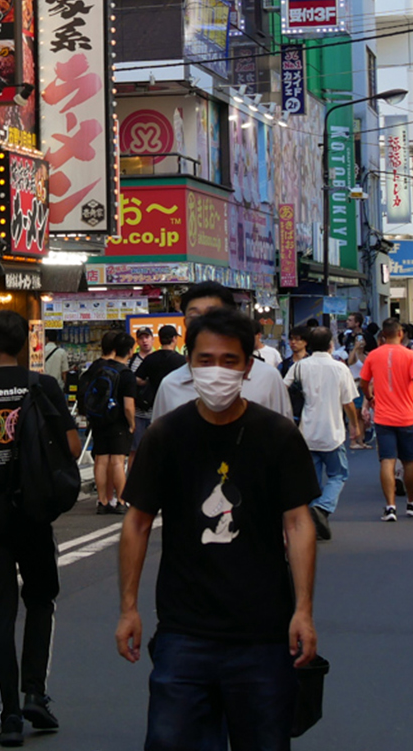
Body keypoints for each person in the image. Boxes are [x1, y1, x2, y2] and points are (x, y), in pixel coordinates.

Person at [116, 309, 319, 749]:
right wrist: (128, 607)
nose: (217, 371)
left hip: (264, 631)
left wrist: (303, 610)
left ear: (249, 365)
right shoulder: (167, 435)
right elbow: (137, 521)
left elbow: (299, 521)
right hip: (183, 629)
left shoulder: (277, 435)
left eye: (230, 361)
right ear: (189, 363)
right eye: (205, 360)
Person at [0, 309, 81, 747]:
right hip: (36, 514)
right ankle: (35, 692)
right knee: (42, 599)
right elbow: (72, 445)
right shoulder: (43, 385)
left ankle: (8, 715)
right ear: (25, 343)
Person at [153, 283, 293, 419]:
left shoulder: (267, 378)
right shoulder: (171, 385)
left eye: (213, 315)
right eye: (195, 317)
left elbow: (283, 435)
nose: (204, 324)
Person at [287, 325, 359, 540]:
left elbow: (284, 388)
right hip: (333, 431)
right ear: (331, 345)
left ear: (308, 343)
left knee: (312, 479)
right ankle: (322, 508)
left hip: (307, 430)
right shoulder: (339, 368)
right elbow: (348, 402)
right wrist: (354, 425)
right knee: (338, 474)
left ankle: (312, 519)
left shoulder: (300, 367)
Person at [360, 319, 413, 521]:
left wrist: (369, 398)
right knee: (409, 461)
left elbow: (365, 382)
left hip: (383, 416)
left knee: (387, 460)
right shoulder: (411, 355)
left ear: (383, 334)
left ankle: (390, 507)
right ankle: (410, 502)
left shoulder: (374, 355)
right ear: (400, 333)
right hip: (407, 416)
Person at [79, 331, 139, 514]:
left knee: (101, 460)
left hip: (98, 419)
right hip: (118, 421)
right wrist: (131, 423)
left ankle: (102, 501)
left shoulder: (99, 368)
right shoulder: (127, 375)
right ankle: (121, 500)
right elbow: (129, 406)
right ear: (129, 351)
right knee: (118, 462)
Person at [133, 323, 188, 440]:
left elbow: (137, 378)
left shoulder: (151, 358)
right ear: (174, 339)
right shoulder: (181, 360)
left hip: (153, 407)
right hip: (176, 406)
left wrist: (148, 382)